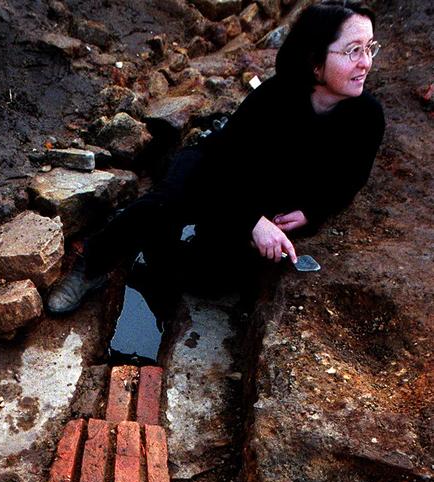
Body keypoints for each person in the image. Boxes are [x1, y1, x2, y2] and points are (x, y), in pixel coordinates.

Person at [46, 0, 385, 315]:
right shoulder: (275, 99)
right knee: (166, 202)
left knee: (213, 283)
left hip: (260, 196)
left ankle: (161, 256)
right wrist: (253, 220)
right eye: (353, 51)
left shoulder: (366, 118)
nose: (366, 63)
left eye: (369, 49)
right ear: (315, 61)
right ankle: (93, 263)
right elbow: (221, 169)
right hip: (213, 174)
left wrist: (311, 211)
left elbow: (349, 180)